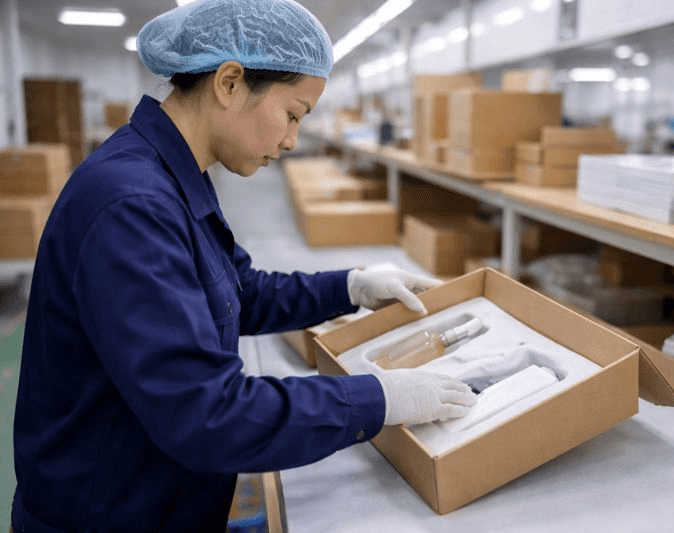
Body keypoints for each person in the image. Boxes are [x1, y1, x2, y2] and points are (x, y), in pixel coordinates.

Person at [10, 1, 476, 531]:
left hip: (156, 498)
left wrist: (350, 287)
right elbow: (207, 414)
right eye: (292, 114)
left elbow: (236, 291)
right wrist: (374, 399)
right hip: (109, 515)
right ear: (229, 83)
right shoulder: (131, 206)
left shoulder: (172, 175)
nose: (292, 140)